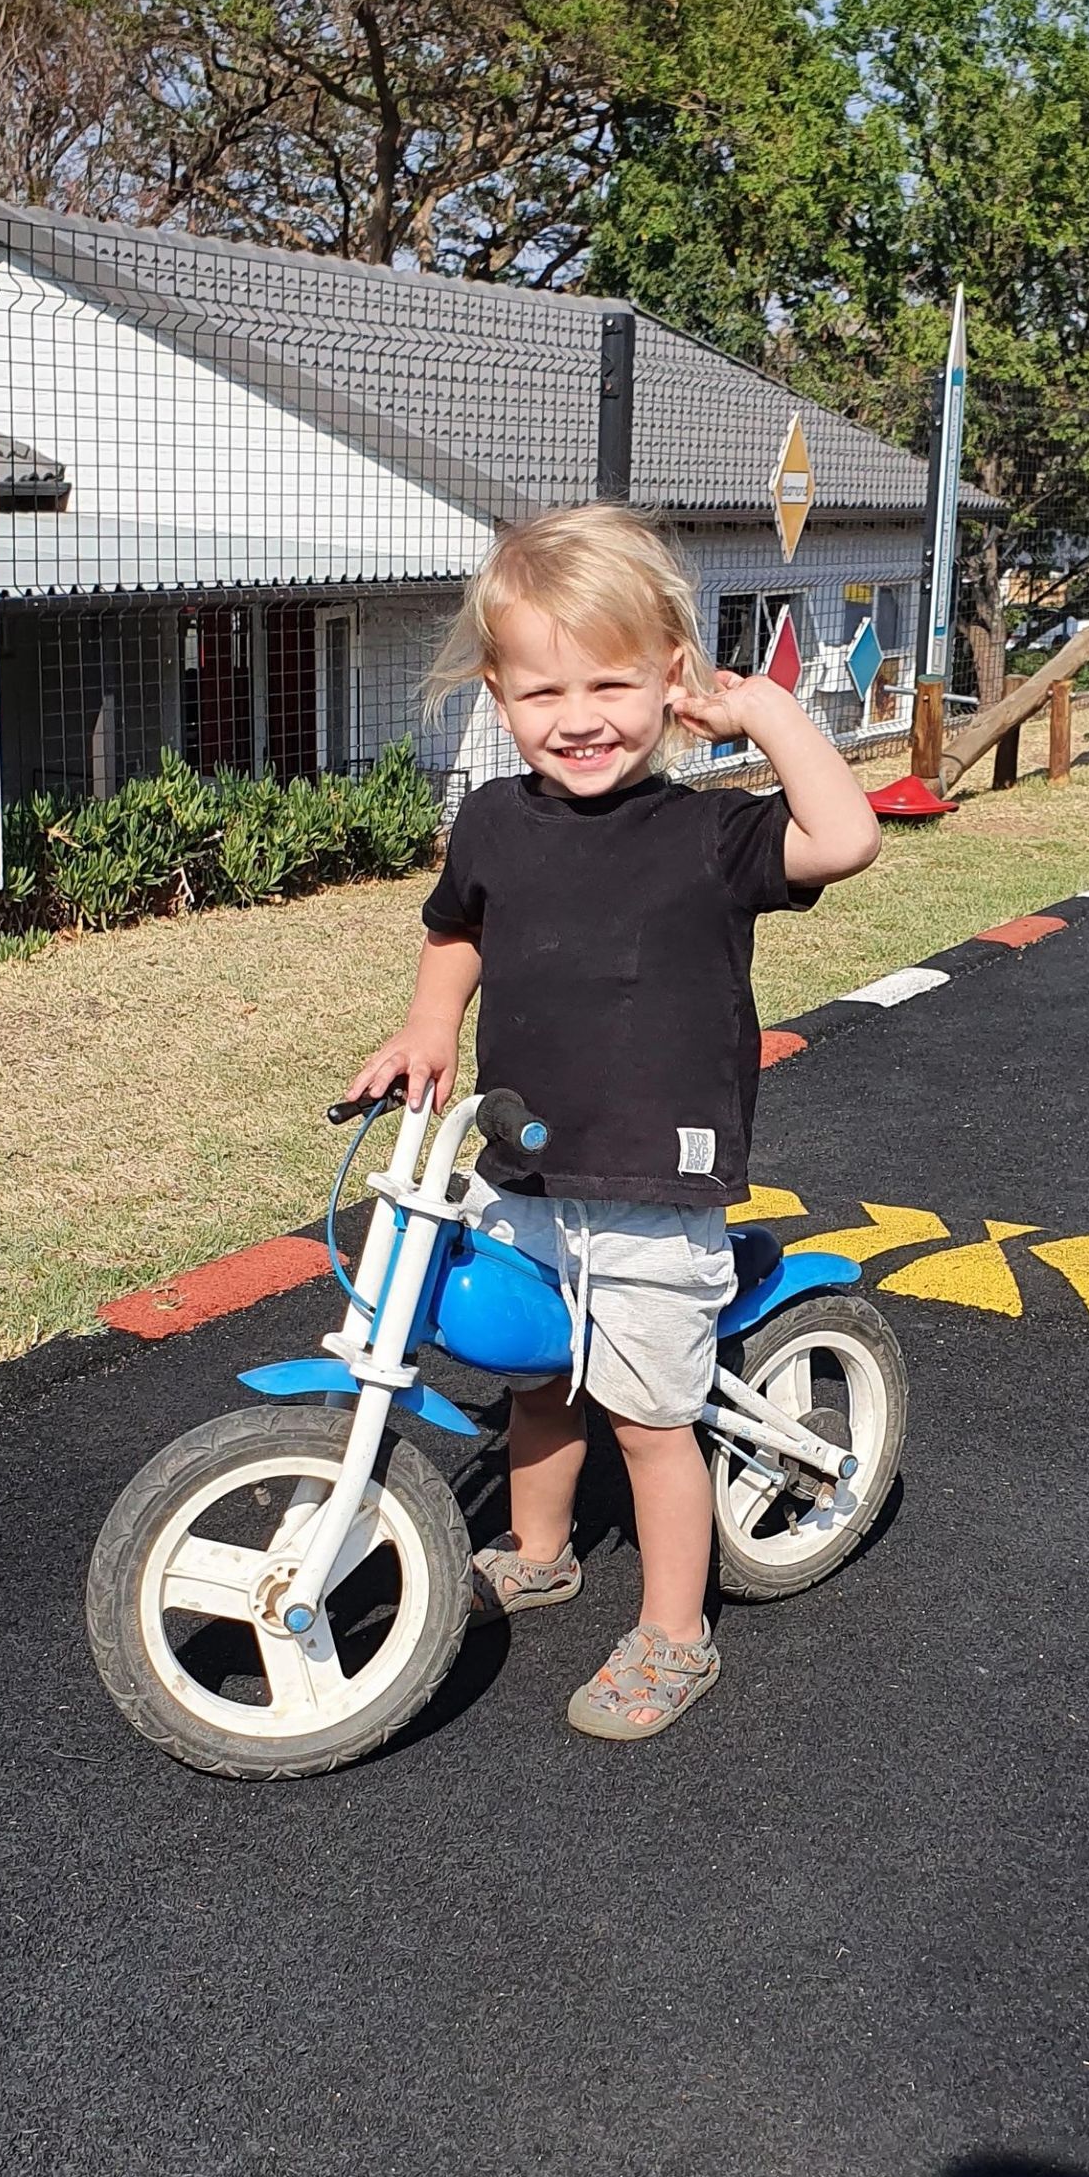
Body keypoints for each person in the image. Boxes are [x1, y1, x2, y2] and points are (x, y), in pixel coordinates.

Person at [345, 503, 881, 1743]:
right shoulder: (489, 819)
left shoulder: (712, 829)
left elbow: (845, 836)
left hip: (656, 1181)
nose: (578, 715)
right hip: (528, 1165)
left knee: (649, 1422)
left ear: (670, 680)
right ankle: (538, 1550)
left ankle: (675, 1633)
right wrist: (431, 1026)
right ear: (499, 691)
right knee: (540, 1382)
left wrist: (767, 716)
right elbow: (457, 929)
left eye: (611, 682)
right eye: (543, 690)